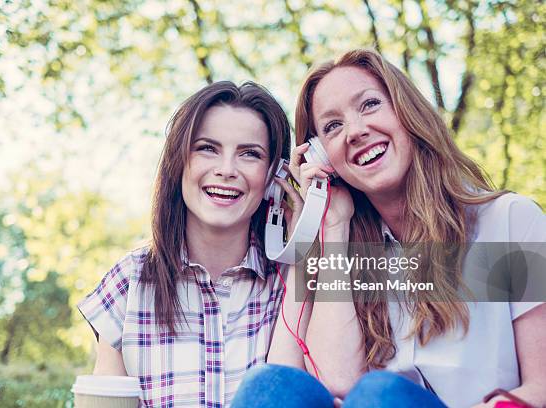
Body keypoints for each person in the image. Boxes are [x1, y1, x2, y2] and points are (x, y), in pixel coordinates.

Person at [231, 49, 546, 407]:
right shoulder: (351, 256)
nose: (356, 131)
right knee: (269, 385)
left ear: (405, 111)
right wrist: (333, 223)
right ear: (322, 157)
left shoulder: (510, 221)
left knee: (380, 392)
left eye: (369, 105)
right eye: (333, 126)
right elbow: (337, 382)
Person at [78, 81, 291, 407]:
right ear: (179, 163)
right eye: (208, 148)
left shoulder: (293, 279)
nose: (226, 170)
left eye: (250, 154)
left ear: (275, 176)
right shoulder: (129, 280)